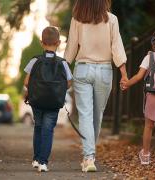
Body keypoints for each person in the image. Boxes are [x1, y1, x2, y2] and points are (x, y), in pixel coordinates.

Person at [64, 0, 127, 172]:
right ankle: (90, 155)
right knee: (97, 115)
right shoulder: (112, 19)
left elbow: (71, 47)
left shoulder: (77, 18)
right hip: (105, 71)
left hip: (83, 69)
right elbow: (117, 47)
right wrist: (124, 74)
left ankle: (89, 157)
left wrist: (62, 70)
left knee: (85, 115)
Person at [24, 26, 72, 172]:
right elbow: (69, 82)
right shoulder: (63, 63)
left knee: (38, 127)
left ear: (41, 42)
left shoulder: (34, 61)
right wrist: (58, 90)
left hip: (37, 101)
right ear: (58, 43)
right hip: (53, 103)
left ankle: (36, 159)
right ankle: (43, 163)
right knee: (48, 130)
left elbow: (26, 82)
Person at [122, 30, 155, 166]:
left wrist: (126, 84)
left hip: (153, 95)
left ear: (153, 45)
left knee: (149, 126)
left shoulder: (150, 57)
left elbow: (139, 77)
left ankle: (145, 155)